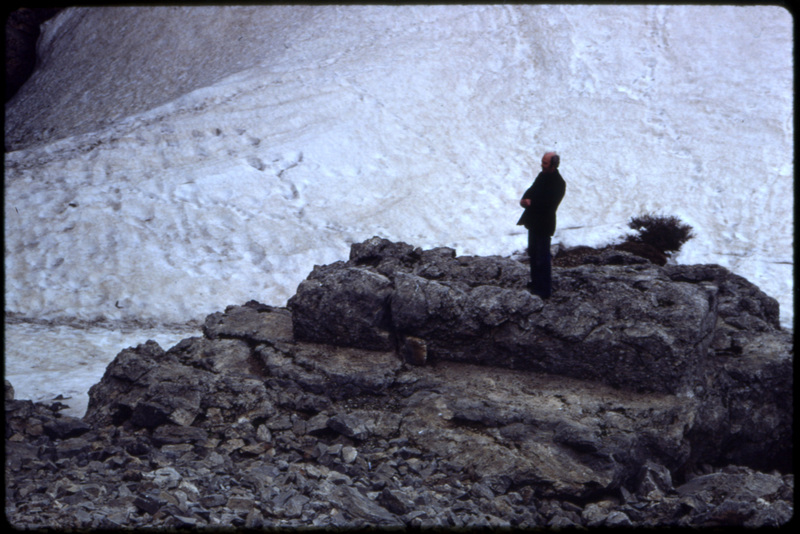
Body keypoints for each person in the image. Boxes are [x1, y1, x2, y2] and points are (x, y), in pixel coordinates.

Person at [517, 151, 566, 299]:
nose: (541, 165)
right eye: (542, 161)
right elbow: (531, 190)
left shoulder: (558, 183)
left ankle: (544, 290)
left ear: (553, 165)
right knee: (533, 254)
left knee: (542, 257)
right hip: (533, 222)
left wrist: (532, 203)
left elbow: (550, 204)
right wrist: (524, 199)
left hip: (544, 224)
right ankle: (535, 283)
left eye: (544, 163)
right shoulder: (542, 175)